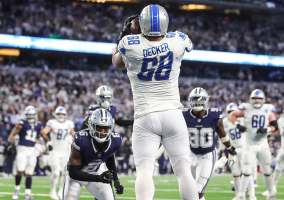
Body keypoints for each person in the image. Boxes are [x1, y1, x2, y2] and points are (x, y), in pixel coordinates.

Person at [112, 4, 199, 200]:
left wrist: (123, 35)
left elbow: (116, 62)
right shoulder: (178, 39)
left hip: (145, 116)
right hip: (173, 113)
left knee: (144, 170)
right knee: (184, 171)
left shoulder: (129, 43)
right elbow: (189, 47)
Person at [184, 88, 237, 200]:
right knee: (191, 188)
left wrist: (230, 149)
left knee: (197, 190)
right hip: (191, 154)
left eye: (200, 100)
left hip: (207, 154)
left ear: (206, 100)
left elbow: (222, 133)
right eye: (195, 100)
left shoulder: (214, 116)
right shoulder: (184, 115)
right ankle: (218, 164)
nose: (198, 102)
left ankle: (216, 163)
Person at [63, 108, 124, 200]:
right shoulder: (81, 139)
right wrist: (99, 178)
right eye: (99, 127)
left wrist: (116, 180)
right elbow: (73, 172)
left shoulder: (115, 140)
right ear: (91, 126)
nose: (102, 132)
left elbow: (110, 157)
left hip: (95, 171)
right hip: (76, 177)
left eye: (106, 128)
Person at [229, 89, 278, 200]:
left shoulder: (268, 109)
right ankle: (241, 195)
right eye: (255, 99)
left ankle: (271, 194)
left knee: (267, 170)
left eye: (259, 99)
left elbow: (275, 125)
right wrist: (237, 125)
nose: (256, 101)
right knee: (246, 171)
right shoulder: (246, 108)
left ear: (263, 100)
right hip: (249, 144)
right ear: (251, 99)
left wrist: (267, 129)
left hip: (263, 144)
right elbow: (232, 115)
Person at [7, 106, 44, 200]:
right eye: (29, 115)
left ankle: (28, 194)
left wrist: (48, 142)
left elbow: (43, 135)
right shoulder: (22, 123)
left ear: (35, 115)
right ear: (26, 115)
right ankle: (17, 189)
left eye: (32, 115)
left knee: (29, 173)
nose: (31, 116)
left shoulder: (38, 125)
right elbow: (12, 134)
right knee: (20, 170)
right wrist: (10, 144)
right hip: (23, 149)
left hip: (32, 150)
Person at [39, 106, 75, 200]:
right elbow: (42, 132)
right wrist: (47, 141)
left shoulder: (69, 124)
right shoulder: (52, 123)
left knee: (65, 173)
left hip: (65, 151)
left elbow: (74, 135)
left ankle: (60, 191)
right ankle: (52, 191)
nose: (60, 115)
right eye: (59, 114)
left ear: (65, 115)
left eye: (62, 114)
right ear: (56, 114)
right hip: (54, 151)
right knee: (55, 172)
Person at [223, 103, 255, 200]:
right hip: (233, 150)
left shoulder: (243, 119)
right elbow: (224, 137)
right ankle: (238, 196)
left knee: (247, 172)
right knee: (235, 173)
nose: (231, 113)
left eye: (233, 111)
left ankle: (252, 195)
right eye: (229, 112)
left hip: (245, 148)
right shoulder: (225, 122)